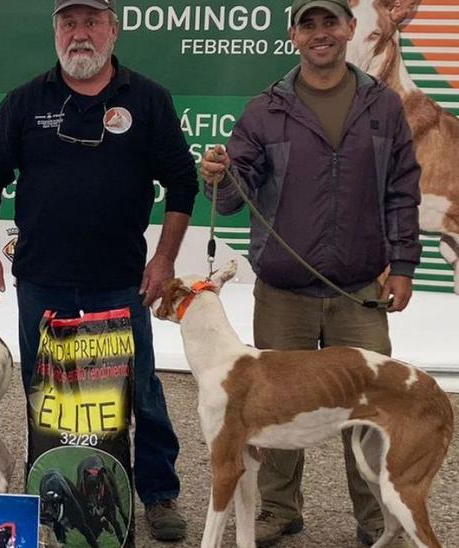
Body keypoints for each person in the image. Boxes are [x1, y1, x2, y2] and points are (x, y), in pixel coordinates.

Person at [0, 0, 195, 541]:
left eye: (92, 21)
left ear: (113, 30)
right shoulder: (25, 101)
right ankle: (49, 487)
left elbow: (182, 184)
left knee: (138, 390)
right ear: (55, 33)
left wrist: (163, 260)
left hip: (120, 279)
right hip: (42, 279)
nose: (80, 34)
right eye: (68, 23)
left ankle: (158, 493)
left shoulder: (148, 99)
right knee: (43, 391)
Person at [199, 0, 421, 544]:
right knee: (271, 412)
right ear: (293, 35)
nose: (320, 34)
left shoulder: (383, 106)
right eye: (308, 24)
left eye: (330, 22)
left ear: (350, 28)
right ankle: (279, 510)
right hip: (283, 292)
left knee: (370, 410)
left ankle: (375, 519)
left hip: (358, 290)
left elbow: (402, 189)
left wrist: (405, 266)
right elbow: (231, 198)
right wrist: (219, 176)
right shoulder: (264, 110)